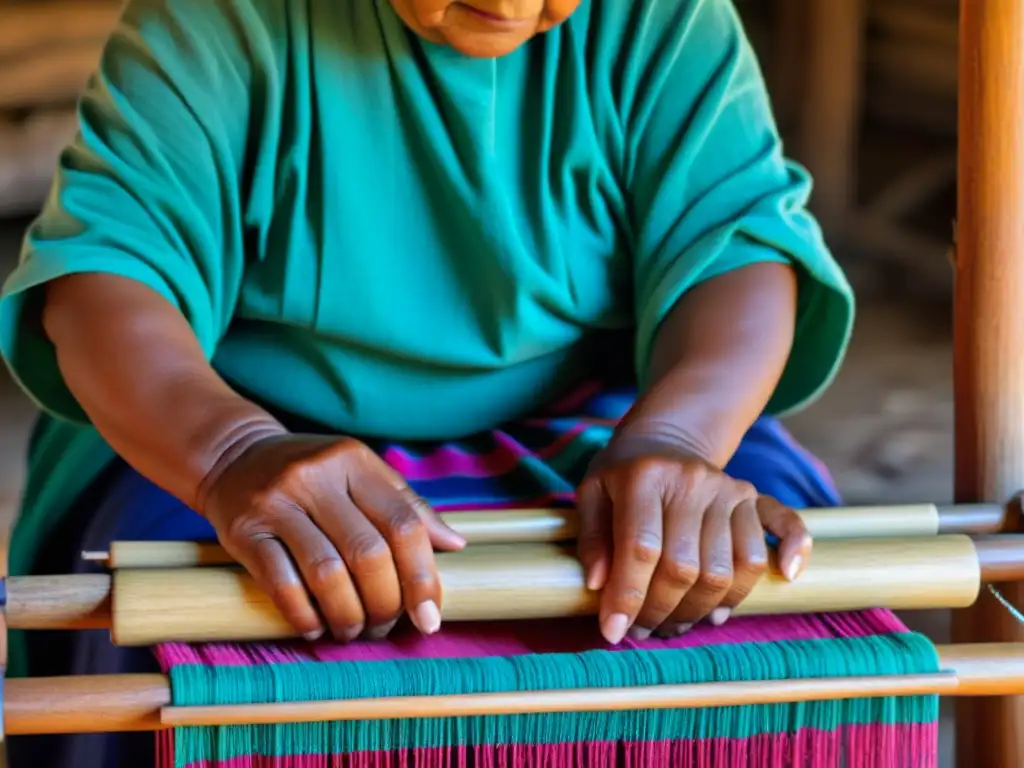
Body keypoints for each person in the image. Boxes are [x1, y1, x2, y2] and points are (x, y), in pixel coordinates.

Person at [0, 0, 853, 765]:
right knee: (171, 611)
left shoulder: (665, 19)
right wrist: (229, 453)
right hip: (231, 419)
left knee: (769, 579)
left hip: (608, 416)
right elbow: (107, 281)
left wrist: (677, 438)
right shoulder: (216, 21)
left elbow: (736, 247)